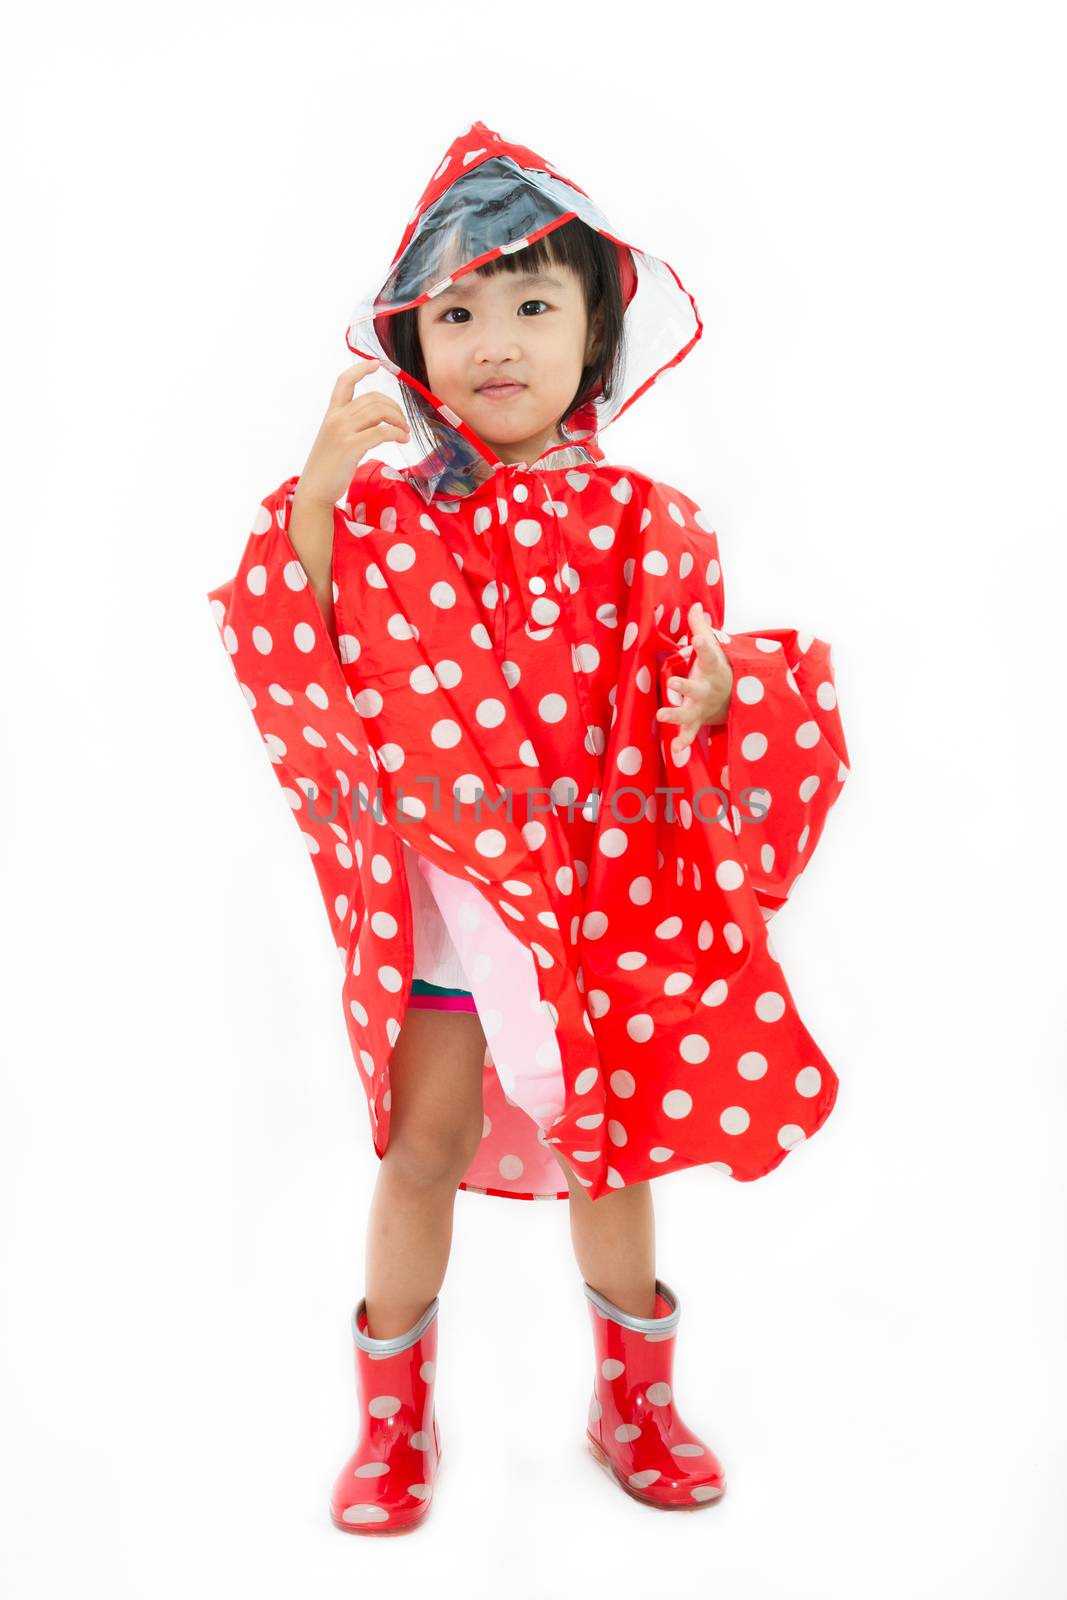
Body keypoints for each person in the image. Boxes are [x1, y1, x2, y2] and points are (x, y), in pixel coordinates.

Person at [206, 119, 850, 1534]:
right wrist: (318, 483)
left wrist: (723, 692)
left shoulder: (648, 523)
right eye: (457, 311)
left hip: (598, 903)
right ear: (412, 340)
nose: (494, 340)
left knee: (609, 1154)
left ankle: (638, 1399)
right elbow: (287, 627)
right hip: (452, 898)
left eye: (534, 304)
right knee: (418, 1145)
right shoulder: (384, 522)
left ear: (599, 330)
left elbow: (706, 682)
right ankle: (392, 1420)